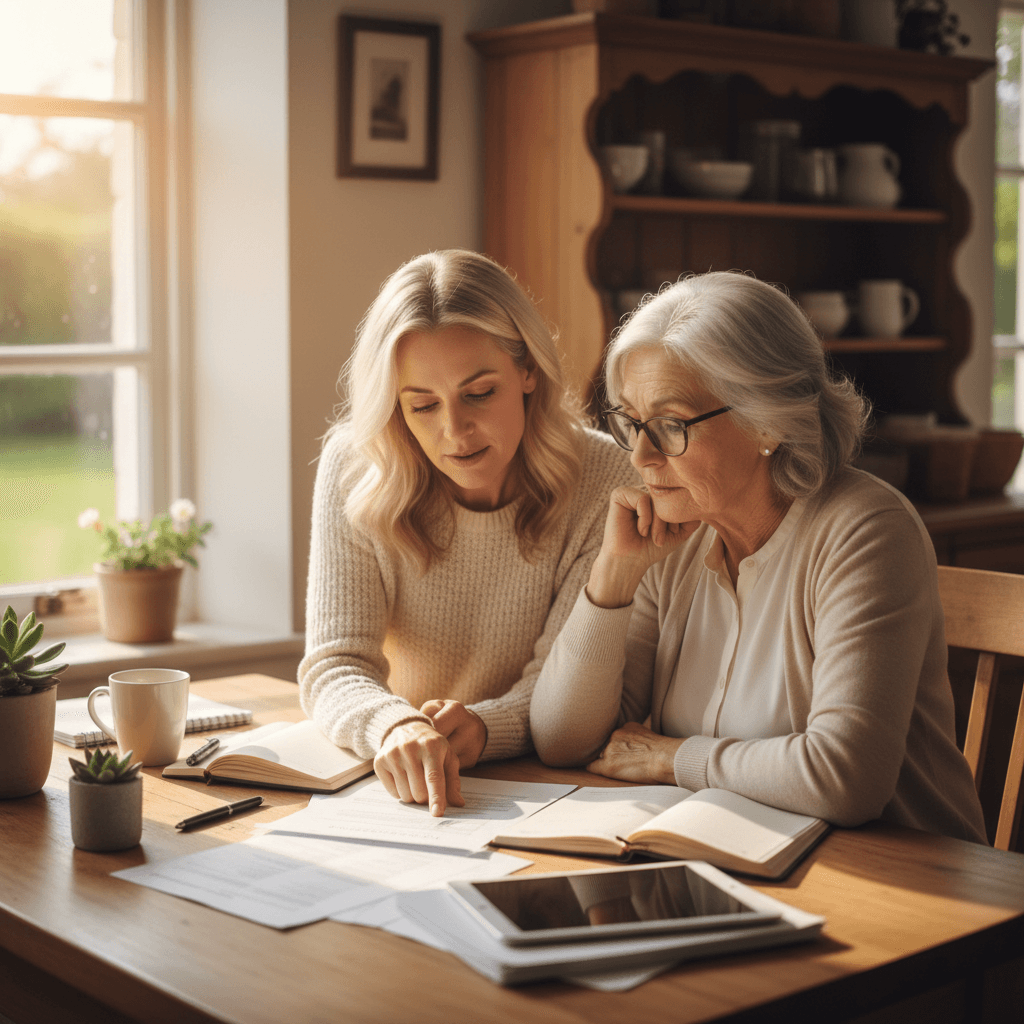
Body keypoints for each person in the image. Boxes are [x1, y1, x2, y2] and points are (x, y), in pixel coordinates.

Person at [530, 271, 987, 844]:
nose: (643, 456)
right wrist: (614, 575)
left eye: (672, 425)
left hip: (905, 877)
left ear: (768, 418)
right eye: (631, 422)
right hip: (743, 858)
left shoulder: (867, 531)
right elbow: (563, 739)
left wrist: (674, 759)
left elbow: (845, 776)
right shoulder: (676, 532)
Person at [299, 249, 635, 816]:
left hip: (543, 786)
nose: (454, 431)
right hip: (401, 779)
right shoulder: (356, 467)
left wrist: (484, 725)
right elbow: (336, 664)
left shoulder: (605, 478)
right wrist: (393, 724)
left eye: (479, 393)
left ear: (528, 370)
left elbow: (566, 685)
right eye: (422, 406)